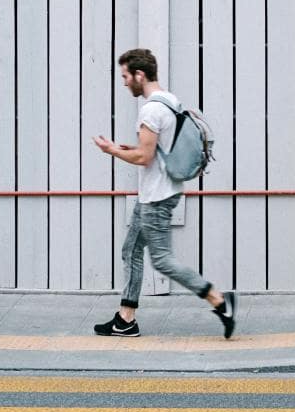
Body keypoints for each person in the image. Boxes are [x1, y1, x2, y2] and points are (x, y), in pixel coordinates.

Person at [91, 48, 236, 338]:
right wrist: (123, 147)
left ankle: (220, 301)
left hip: (156, 197)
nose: (124, 83)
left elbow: (144, 158)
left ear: (139, 75)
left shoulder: (151, 110)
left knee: (162, 260)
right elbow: (156, 150)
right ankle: (125, 319)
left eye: (125, 76)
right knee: (130, 250)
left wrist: (111, 152)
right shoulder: (170, 101)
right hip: (154, 193)